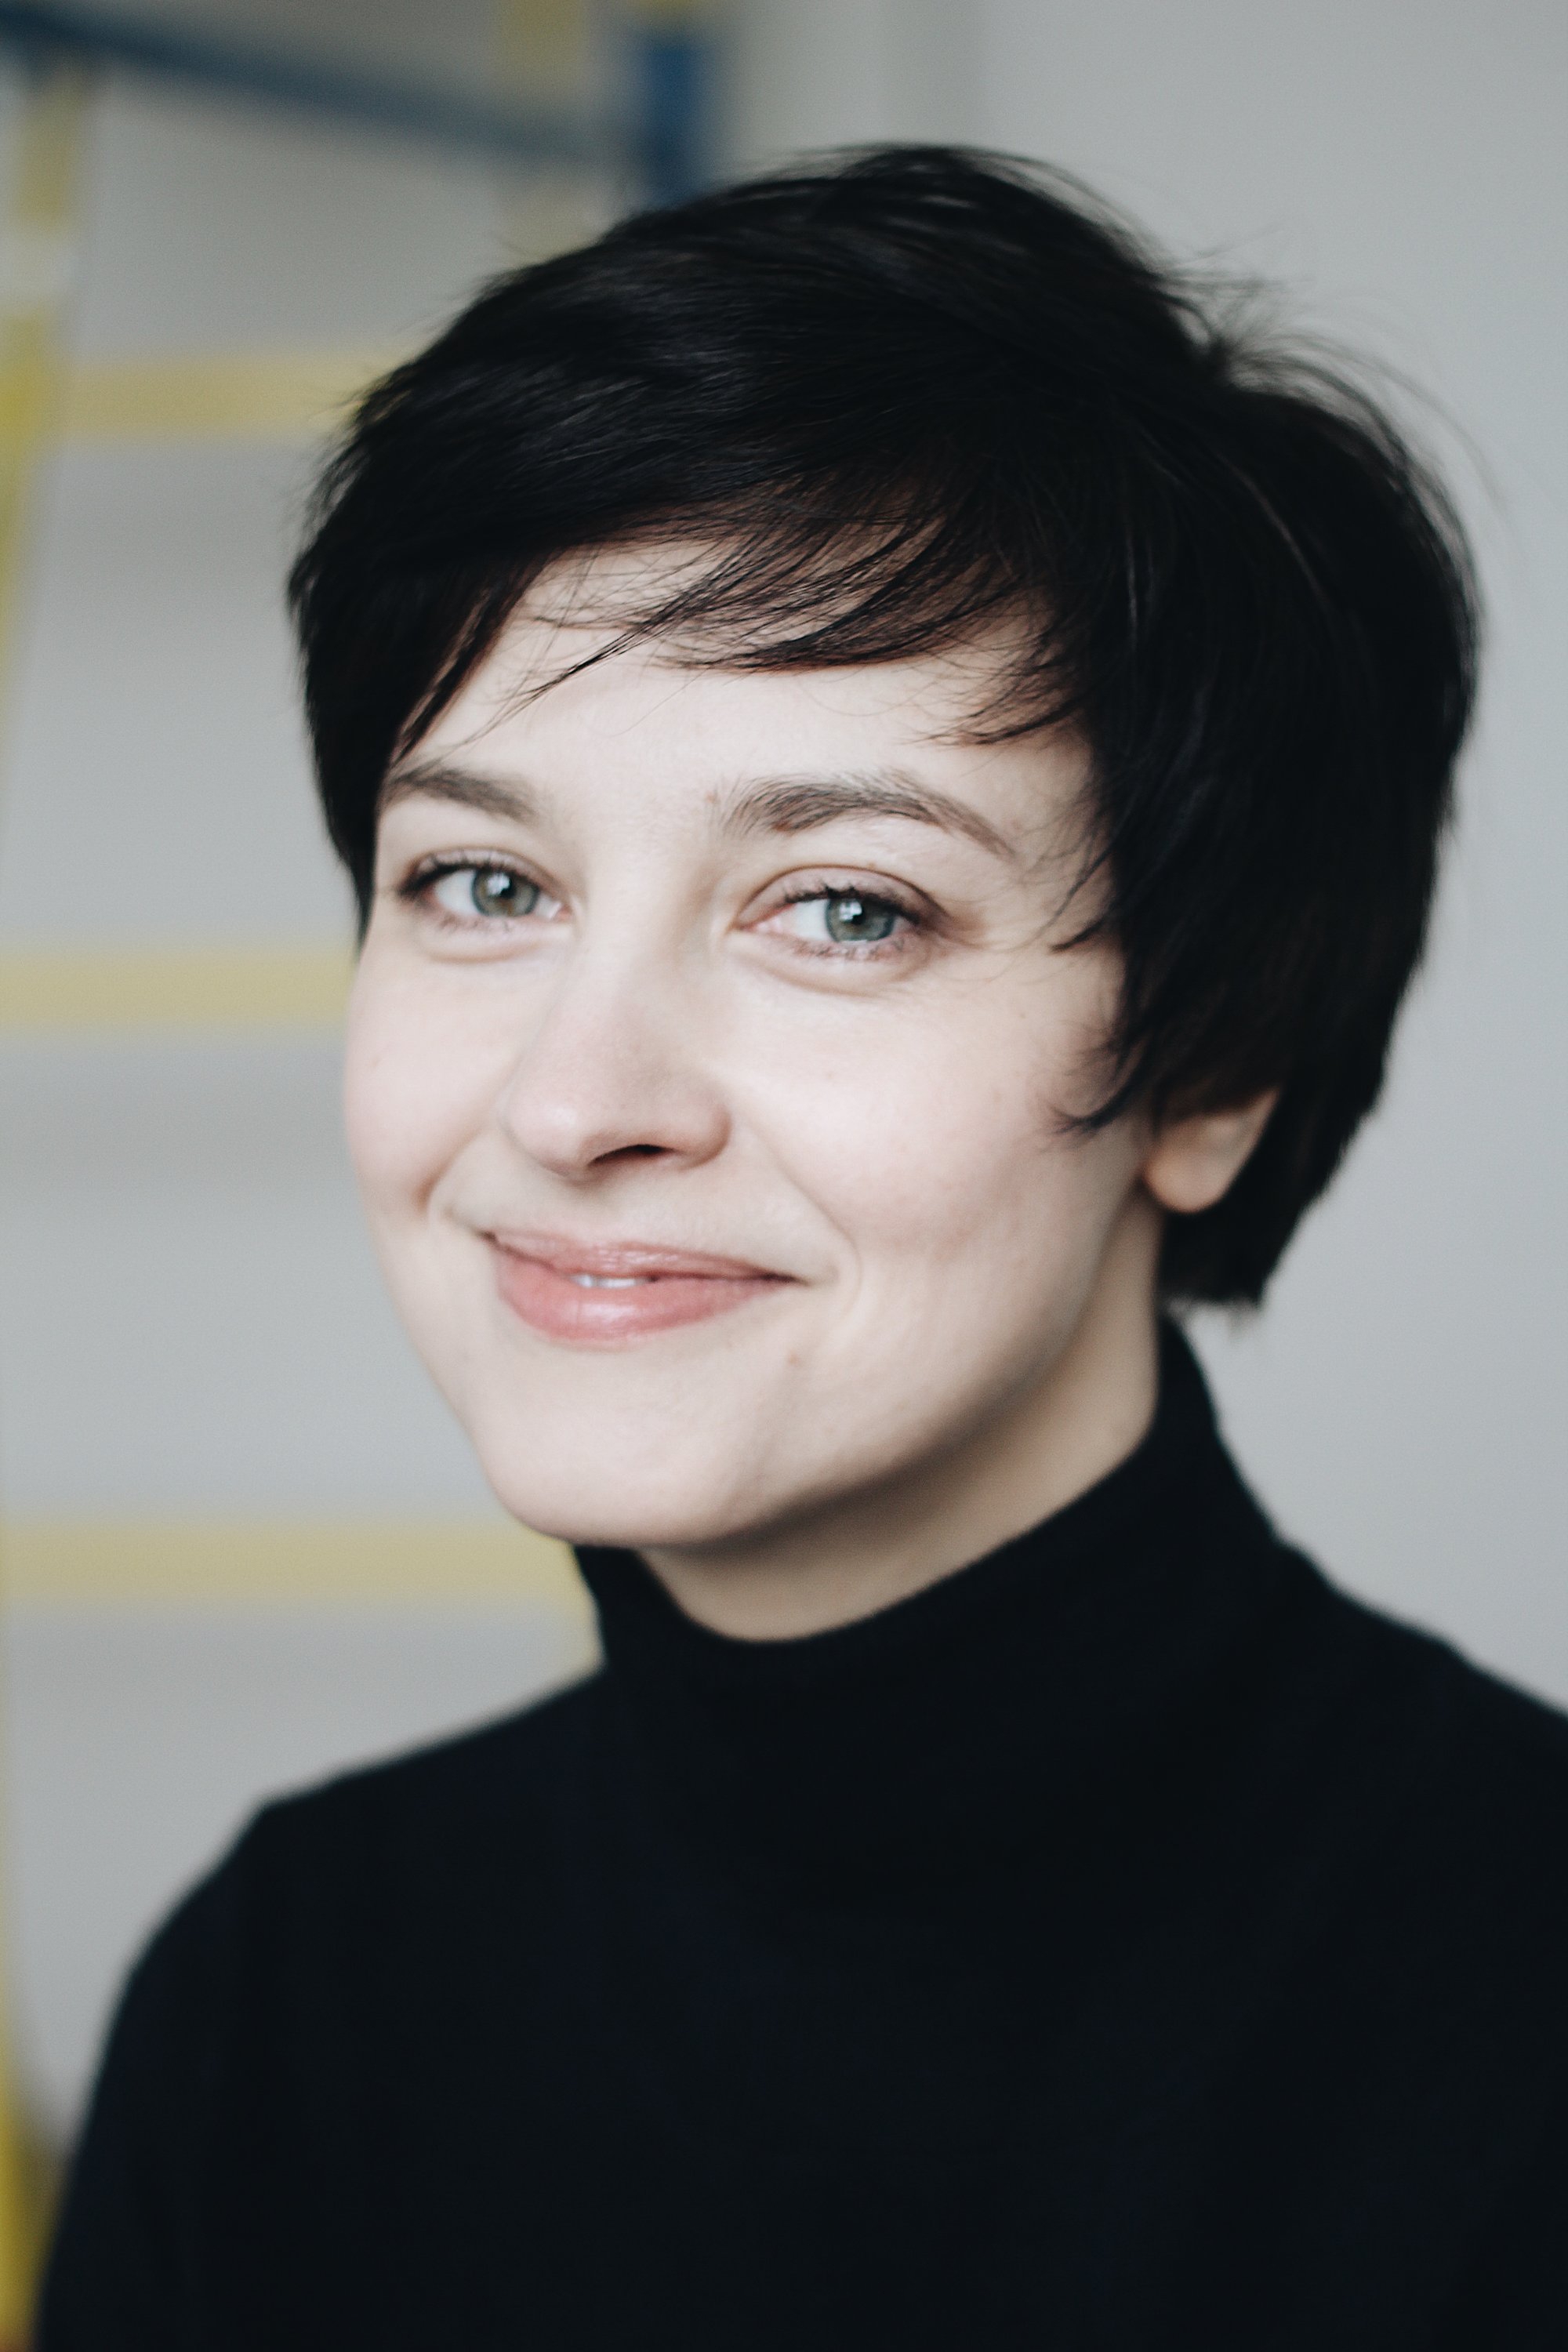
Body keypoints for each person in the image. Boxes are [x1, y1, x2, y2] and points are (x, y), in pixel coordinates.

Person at [38, 146, 1568, 2349]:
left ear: (1216, 1061)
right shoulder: (286, 1998)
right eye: (484, 884)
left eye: (844, 909)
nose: (576, 1100)